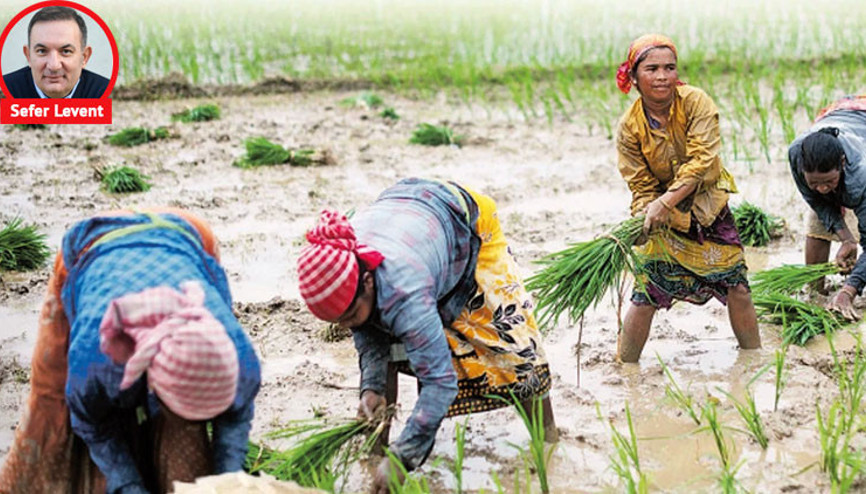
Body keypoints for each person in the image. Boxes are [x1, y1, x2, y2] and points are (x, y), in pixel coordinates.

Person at [297, 178, 554, 493]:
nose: (348, 326)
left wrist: (404, 457)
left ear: (367, 282)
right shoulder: (346, 264)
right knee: (383, 337)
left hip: (464, 223)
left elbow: (440, 382)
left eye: (349, 316)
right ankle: (375, 453)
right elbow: (368, 335)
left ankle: (549, 442)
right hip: (408, 215)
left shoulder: (405, 290)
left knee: (511, 343)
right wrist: (371, 389)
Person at [0, 208, 261, 494]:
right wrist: (128, 485)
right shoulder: (95, 358)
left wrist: (227, 480)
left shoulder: (238, 359)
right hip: (92, 245)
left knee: (183, 433)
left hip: (189, 234)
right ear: (153, 384)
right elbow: (93, 424)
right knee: (53, 406)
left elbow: (235, 417)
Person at [614, 34, 762, 362]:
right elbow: (640, 184)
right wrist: (644, 214)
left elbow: (701, 161)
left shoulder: (696, 102)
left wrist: (664, 202)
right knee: (646, 293)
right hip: (664, 220)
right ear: (634, 76)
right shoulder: (629, 128)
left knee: (737, 285)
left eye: (669, 68)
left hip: (708, 207)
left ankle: (754, 360)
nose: (662, 76)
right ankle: (626, 368)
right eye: (652, 69)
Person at [789, 94, 866, 320]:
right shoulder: (796, 153)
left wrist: (848, 292)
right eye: (814, 182)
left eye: (829, 181)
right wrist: (846, 238)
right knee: (817, 219)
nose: (822, 189)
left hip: (862, 128)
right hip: (841, 116)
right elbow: (817, 201)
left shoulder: (859, 175)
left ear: (841, 164)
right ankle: (814, 293)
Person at [3, 6, 109, 99]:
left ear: (84, 57)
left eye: (66, 51)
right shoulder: (5, 90)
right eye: (42, 51)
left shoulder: (105, 93)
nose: (54, 66)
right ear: (28, 56)